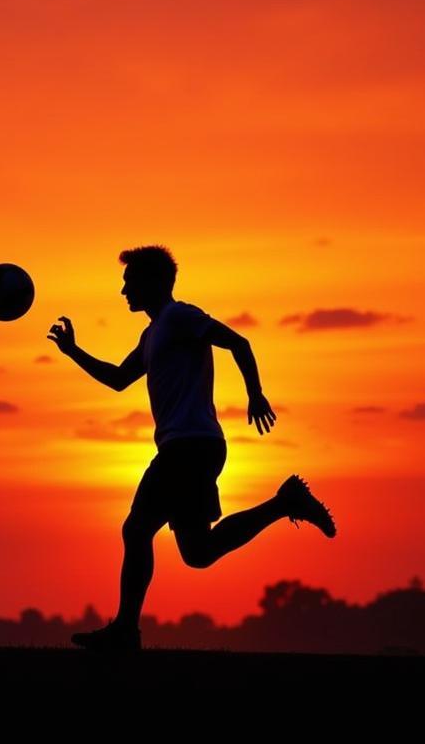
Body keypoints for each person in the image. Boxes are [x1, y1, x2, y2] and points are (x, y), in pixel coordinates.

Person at [47, 244, 336, 653]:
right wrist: (72, 350)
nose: (123, 291)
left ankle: (126, 631)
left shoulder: (181, 317)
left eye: (129, 282)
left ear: (152, 283)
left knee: (136, 528)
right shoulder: (152, 334)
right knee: (198, 553)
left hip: (190, 447)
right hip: (189, 448)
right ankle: (284, 502)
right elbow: (117, 379)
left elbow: (238, 342)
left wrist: (255, 395)